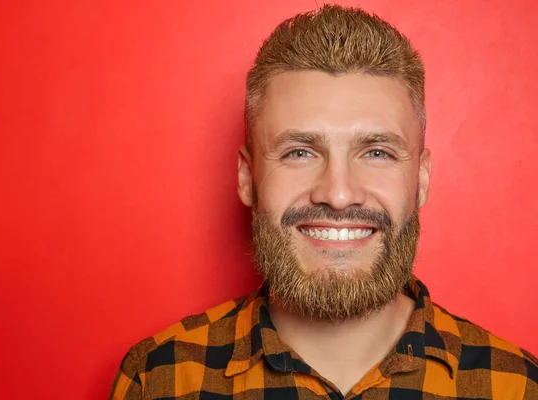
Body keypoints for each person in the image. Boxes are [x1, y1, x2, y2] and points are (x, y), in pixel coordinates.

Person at [109, 5, 537, 399]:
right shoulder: (159, 378)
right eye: (300, 152)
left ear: (420, 178)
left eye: (376, 152)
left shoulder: (518, 386)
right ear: (247, 177)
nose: (337, 194)